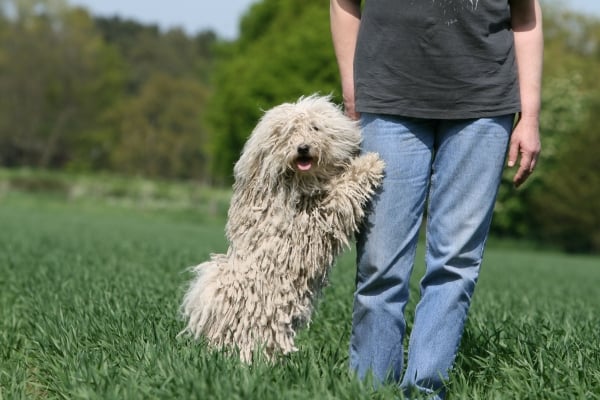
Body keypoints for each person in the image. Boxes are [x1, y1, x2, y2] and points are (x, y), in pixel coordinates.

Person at [330, 0, 542, 398]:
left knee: (456, 262)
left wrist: (529, 116)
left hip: (483, 106)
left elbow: (526, 18)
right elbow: (343, 4)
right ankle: (370, 390)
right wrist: (351, 92)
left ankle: (425, 390)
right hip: (388, 99)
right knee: (380, 265)